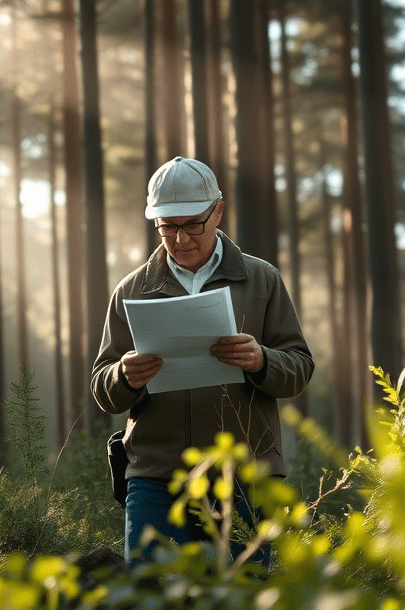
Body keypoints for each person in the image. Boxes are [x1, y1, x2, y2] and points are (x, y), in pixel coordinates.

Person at [91, 156, 313, 567]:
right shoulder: (130, 290)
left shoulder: (262, 280)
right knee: (149, 593)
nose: (180, 238)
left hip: (247, 475)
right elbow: (103, 388)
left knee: (245, 595)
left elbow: (299, 367)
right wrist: (123, 375)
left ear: (219, 211)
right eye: (167, 227)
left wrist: (261, 360)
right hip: (156, 477)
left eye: (193, 224)